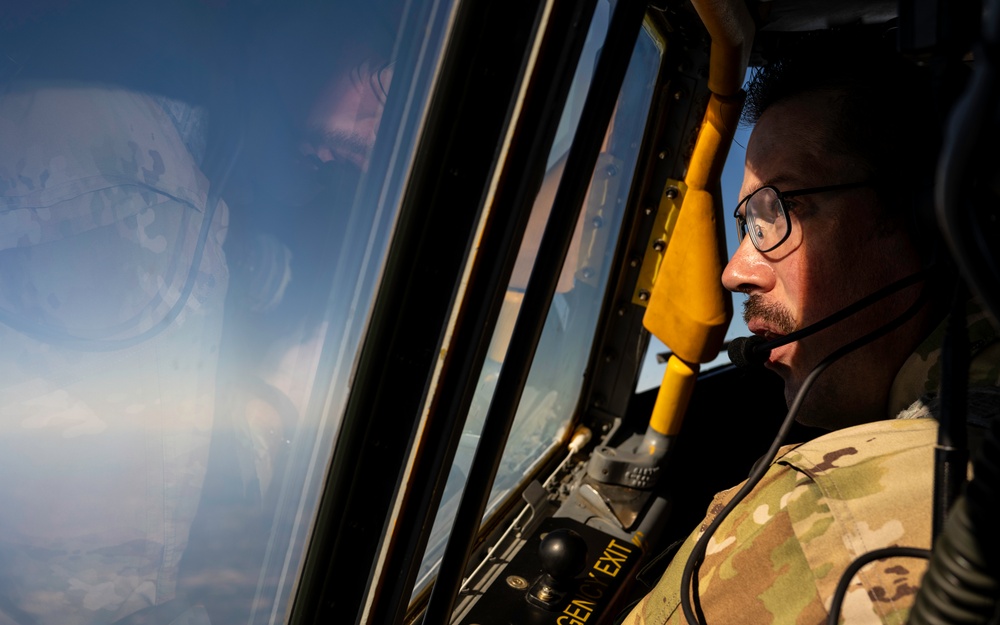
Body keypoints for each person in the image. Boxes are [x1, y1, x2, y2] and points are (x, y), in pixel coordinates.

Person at [620, 31, 1000, 624]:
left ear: (929, 220)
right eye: (748, 220)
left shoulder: (825, 520)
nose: (734, 271)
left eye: (777, 211)